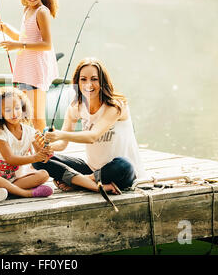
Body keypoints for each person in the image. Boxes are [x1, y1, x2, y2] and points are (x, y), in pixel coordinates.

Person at [32, 57, 146, 194]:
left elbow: (92, 136)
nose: (88, 84)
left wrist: (60, 134)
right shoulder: (75, 107)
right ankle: (87, 181)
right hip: (93, 169)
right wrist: (45, 146)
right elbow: (62, 144)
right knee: (39, 161)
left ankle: (81, 182)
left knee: (124, 165)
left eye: (94, 79)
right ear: (77, 82)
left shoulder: (115, 106)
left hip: (121, 173)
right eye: (83, 79)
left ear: (102, 81)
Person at [0, 0, 59, 133]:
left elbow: (46, 44)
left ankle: (45, 153)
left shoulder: (42, 12)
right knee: (25, 114)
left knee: (37, 116)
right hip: (24, 69)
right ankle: (32, 148)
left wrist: (18, 46)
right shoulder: (26, 10)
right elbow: (25, 37)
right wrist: (7, 30)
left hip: (36, 70)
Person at [0, 86, 54, 201]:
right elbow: (10, 159)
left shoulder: (29, 131)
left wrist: (46, 152)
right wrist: (35, 157)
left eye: (17, 108)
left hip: (16, 179)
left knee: (44, 174)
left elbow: (41, 157)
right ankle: (26, 193)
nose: (14, 113)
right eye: (8, 110)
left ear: (23, 109)